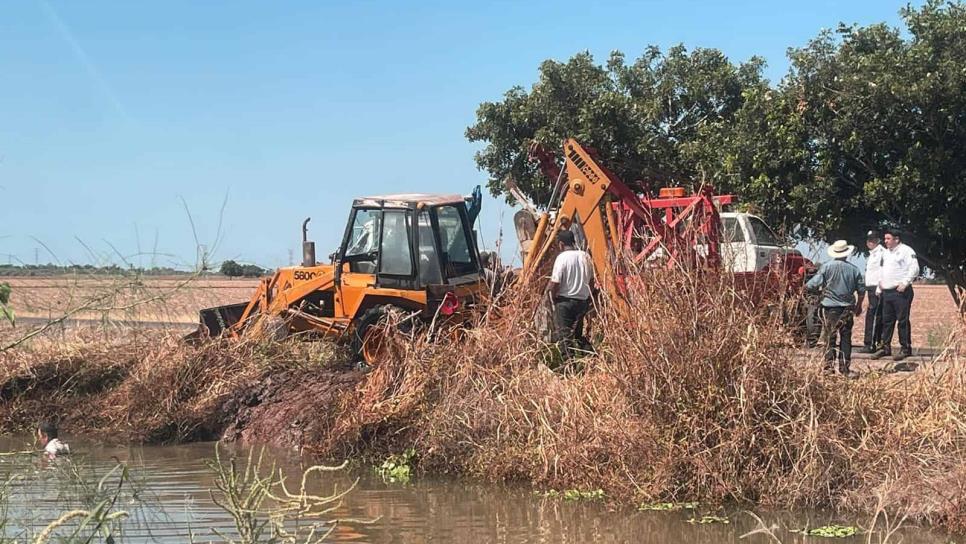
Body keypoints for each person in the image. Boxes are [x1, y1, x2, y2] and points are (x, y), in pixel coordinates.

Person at [805, 240, 865, 377]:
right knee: (845, 337)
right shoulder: (854, 270)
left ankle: (828, 368)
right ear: (847, 254)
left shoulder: (826, 267)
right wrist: (858, 306)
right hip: (847, 308)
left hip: (830, 308)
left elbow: (812, 285)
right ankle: (844, 369)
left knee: (830, 338)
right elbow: (861, 291)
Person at [872, 228, 920, 363]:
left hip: (900, 292)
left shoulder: (906, 251)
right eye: (885, 239)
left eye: (888, 239)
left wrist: (905, 282)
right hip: (887, 292)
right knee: (887, 321)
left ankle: (905, 348)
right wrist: (879, 286)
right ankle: (884, 347)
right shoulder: (885, 253)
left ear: (896, 239)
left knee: (902, 321)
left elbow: (914, 268)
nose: (885, 241)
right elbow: (881, 270)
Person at [549, 230, 594, 361]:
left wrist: (553, 296)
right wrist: (588, 297)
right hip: (582, 302)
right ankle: (592, 360)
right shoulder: (585, 256)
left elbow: (555, 282)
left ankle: (569, 368)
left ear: (561, 244)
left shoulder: (562, 258)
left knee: (565, 337)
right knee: (578, 335)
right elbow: (591, 281)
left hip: (565, 303)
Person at [860, 230, 886, 353]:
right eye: (869, 239)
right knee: (871, 314)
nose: (870, 242)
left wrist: (879, 288)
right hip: (870, 287)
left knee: (875, 315)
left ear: (878, 240)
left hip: (877, 288)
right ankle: (869, 342)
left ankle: (872, 343)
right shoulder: (872, 254)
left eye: (873, 239)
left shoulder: (881, 253)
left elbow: (882, 271)